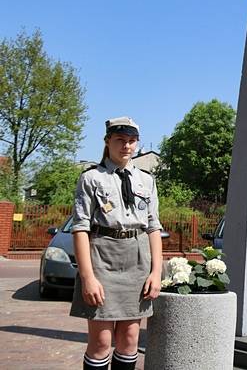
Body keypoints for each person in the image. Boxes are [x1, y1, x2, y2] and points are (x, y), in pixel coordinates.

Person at [70, 117, 163, 370]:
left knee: (129, 340)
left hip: (137, 261)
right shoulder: (91, 178)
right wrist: (87, 277)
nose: (127, 146)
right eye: (120, 140)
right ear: (107, 141)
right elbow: (80, 228)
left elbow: (153, 227)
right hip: (102, 258)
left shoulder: (147, 180)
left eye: (132, 141)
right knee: (101, 342)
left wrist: (156, 272)